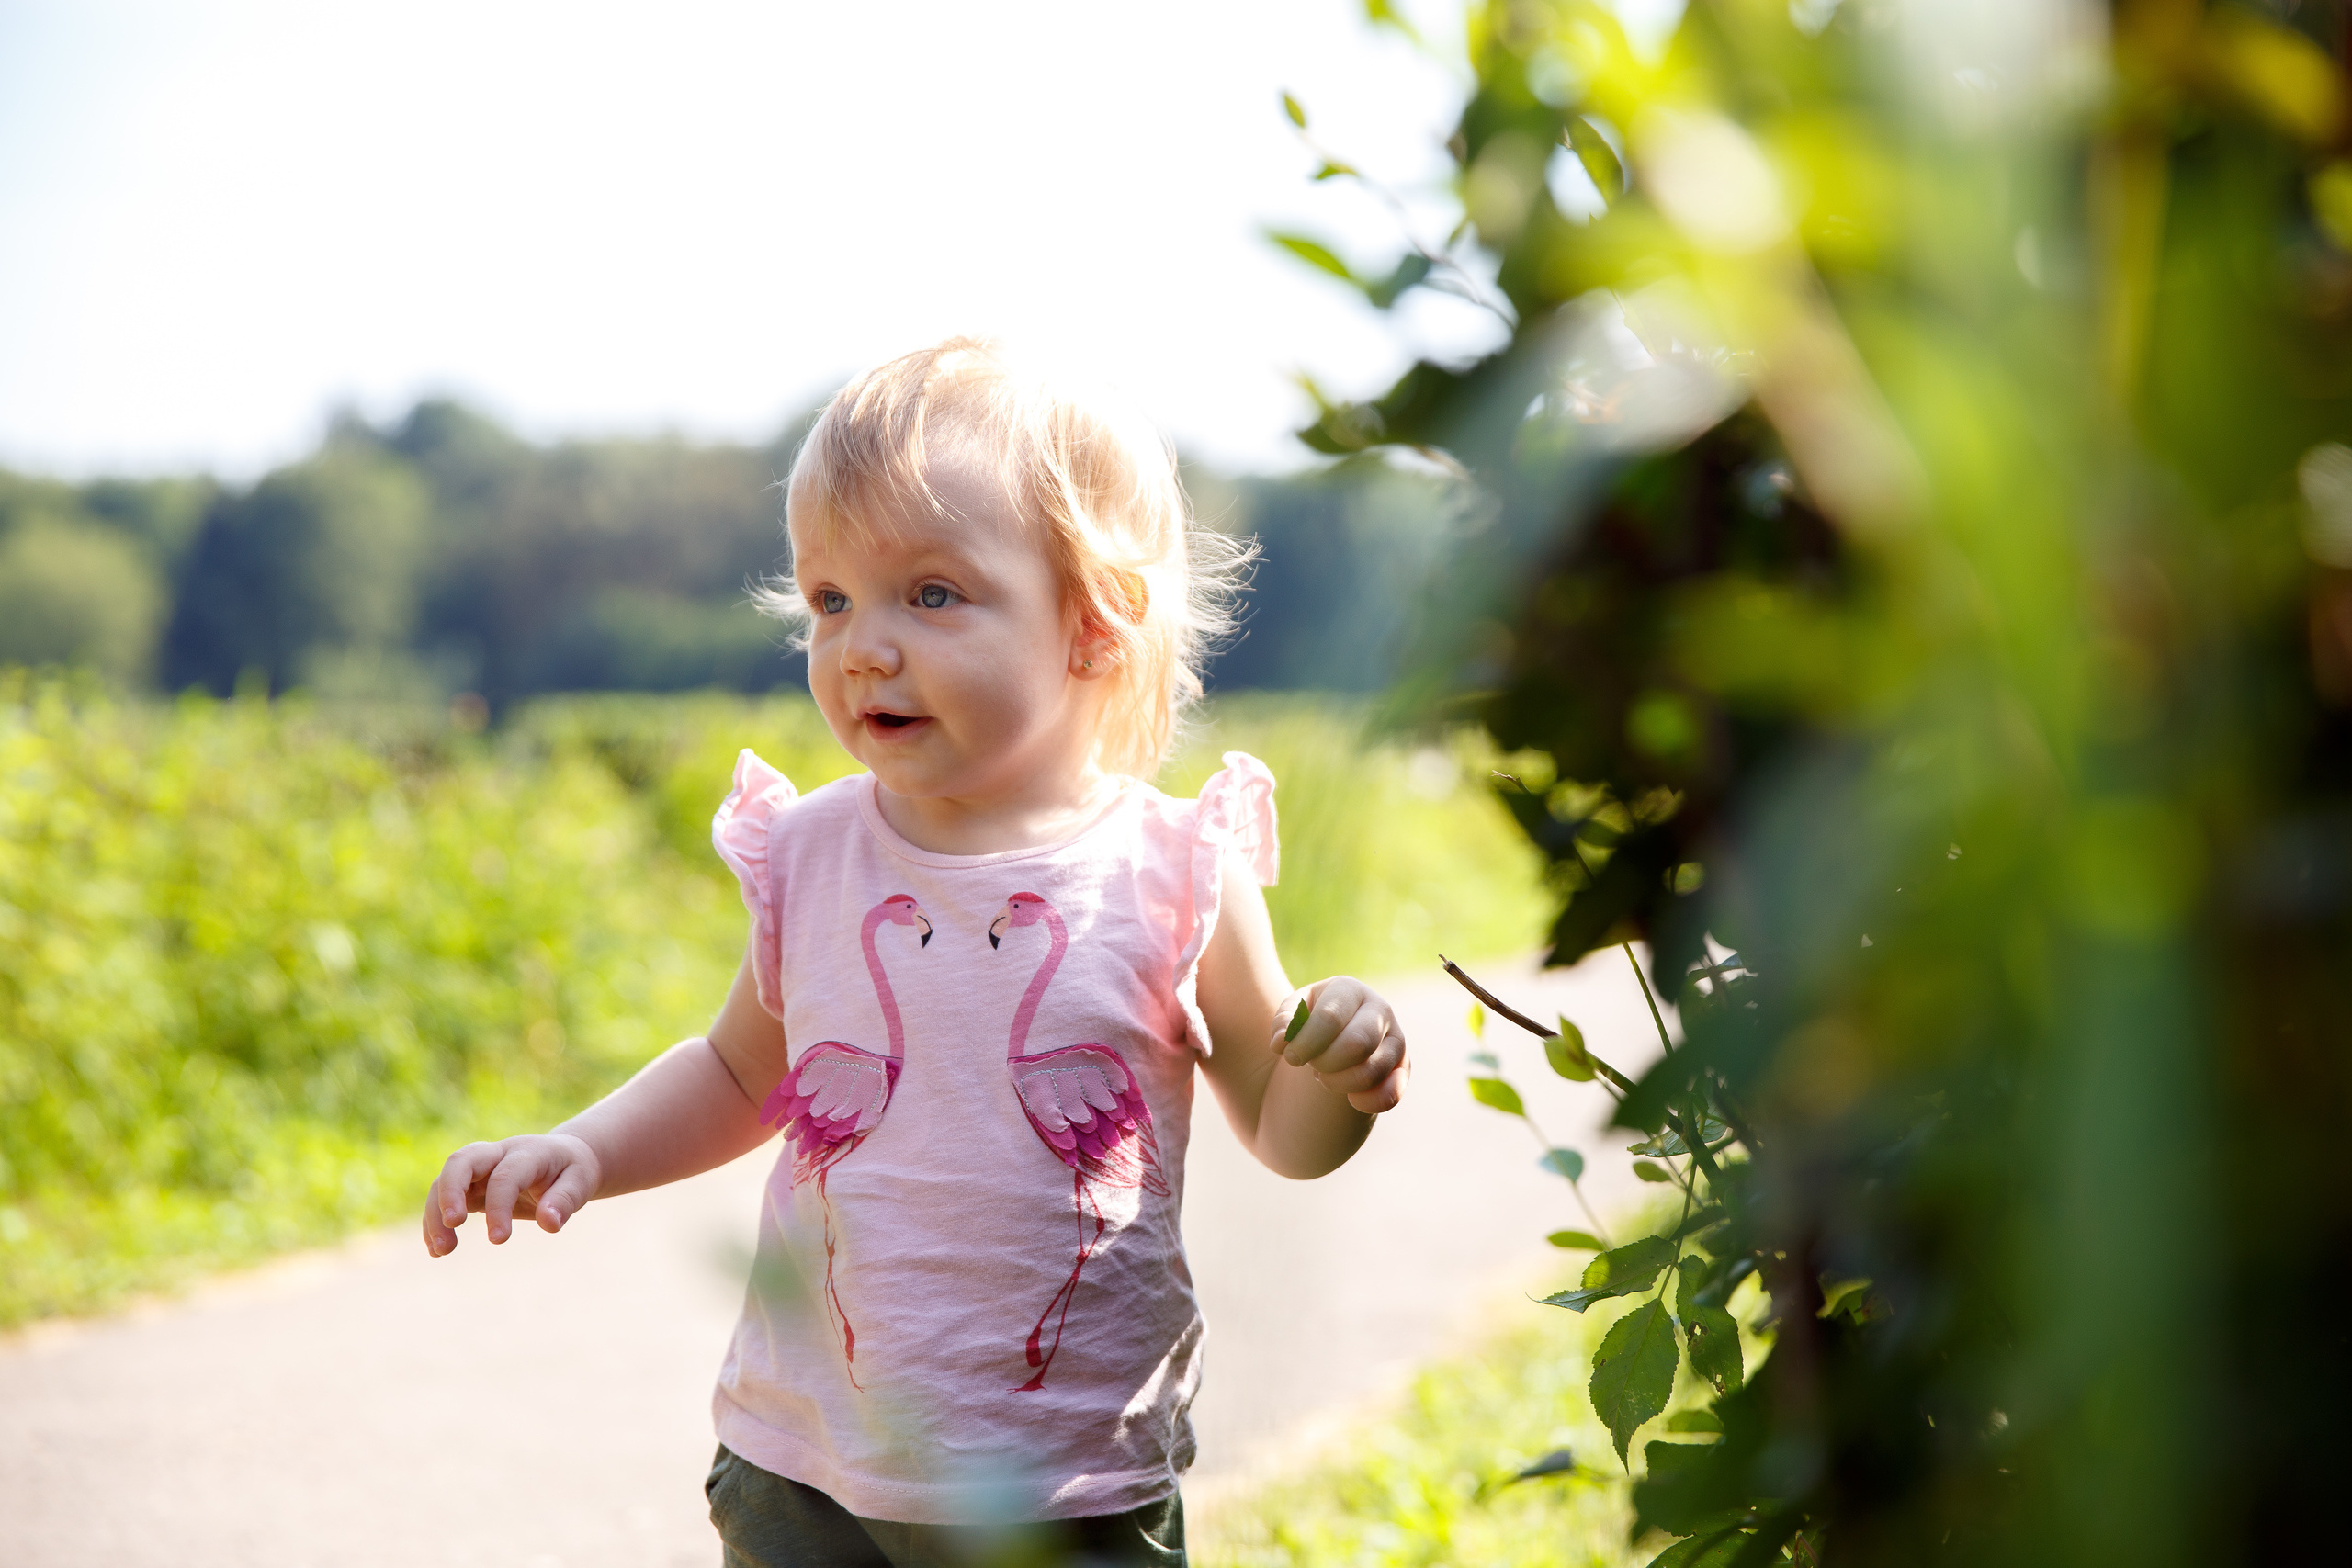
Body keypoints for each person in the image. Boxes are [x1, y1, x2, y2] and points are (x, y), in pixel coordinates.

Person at [420, 339, 1410, 1568]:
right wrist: (585, 1147)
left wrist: (1340, 1073)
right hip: (806, 1468)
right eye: (831, 599)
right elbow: (743, 1075)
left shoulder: (1171, 868)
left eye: (930, 595)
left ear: (1095, 626)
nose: (863, 647)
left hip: (1062, 1484)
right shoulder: (816, 850)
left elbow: (1281, 1121)